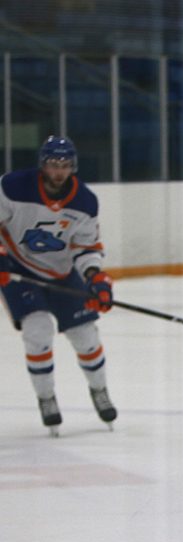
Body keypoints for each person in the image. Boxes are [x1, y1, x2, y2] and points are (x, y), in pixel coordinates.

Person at [0, 135, 116, 436]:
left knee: (85, 336)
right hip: (17, 269)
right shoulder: (13, 187)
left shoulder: (85, 202)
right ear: (43, 165)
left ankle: (100, 389)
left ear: (73, 167)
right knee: (37, 331)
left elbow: (86, 248)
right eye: (53, 164)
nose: (59, 171)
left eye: (65, 165)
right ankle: (46, 397)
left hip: (63, 273)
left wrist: (96, 278)